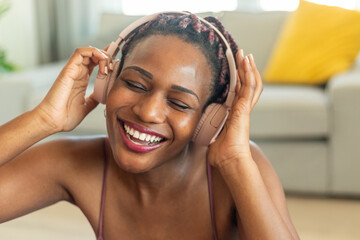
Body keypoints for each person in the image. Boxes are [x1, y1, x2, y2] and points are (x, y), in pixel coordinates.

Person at [0, 13, 299, 239]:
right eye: (134, 83)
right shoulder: (73, 163)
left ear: (210, 121)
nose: (148, 112)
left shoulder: (241, 166)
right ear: (106, 83)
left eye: (180, 103)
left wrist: (235, 163)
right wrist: (43, 119)